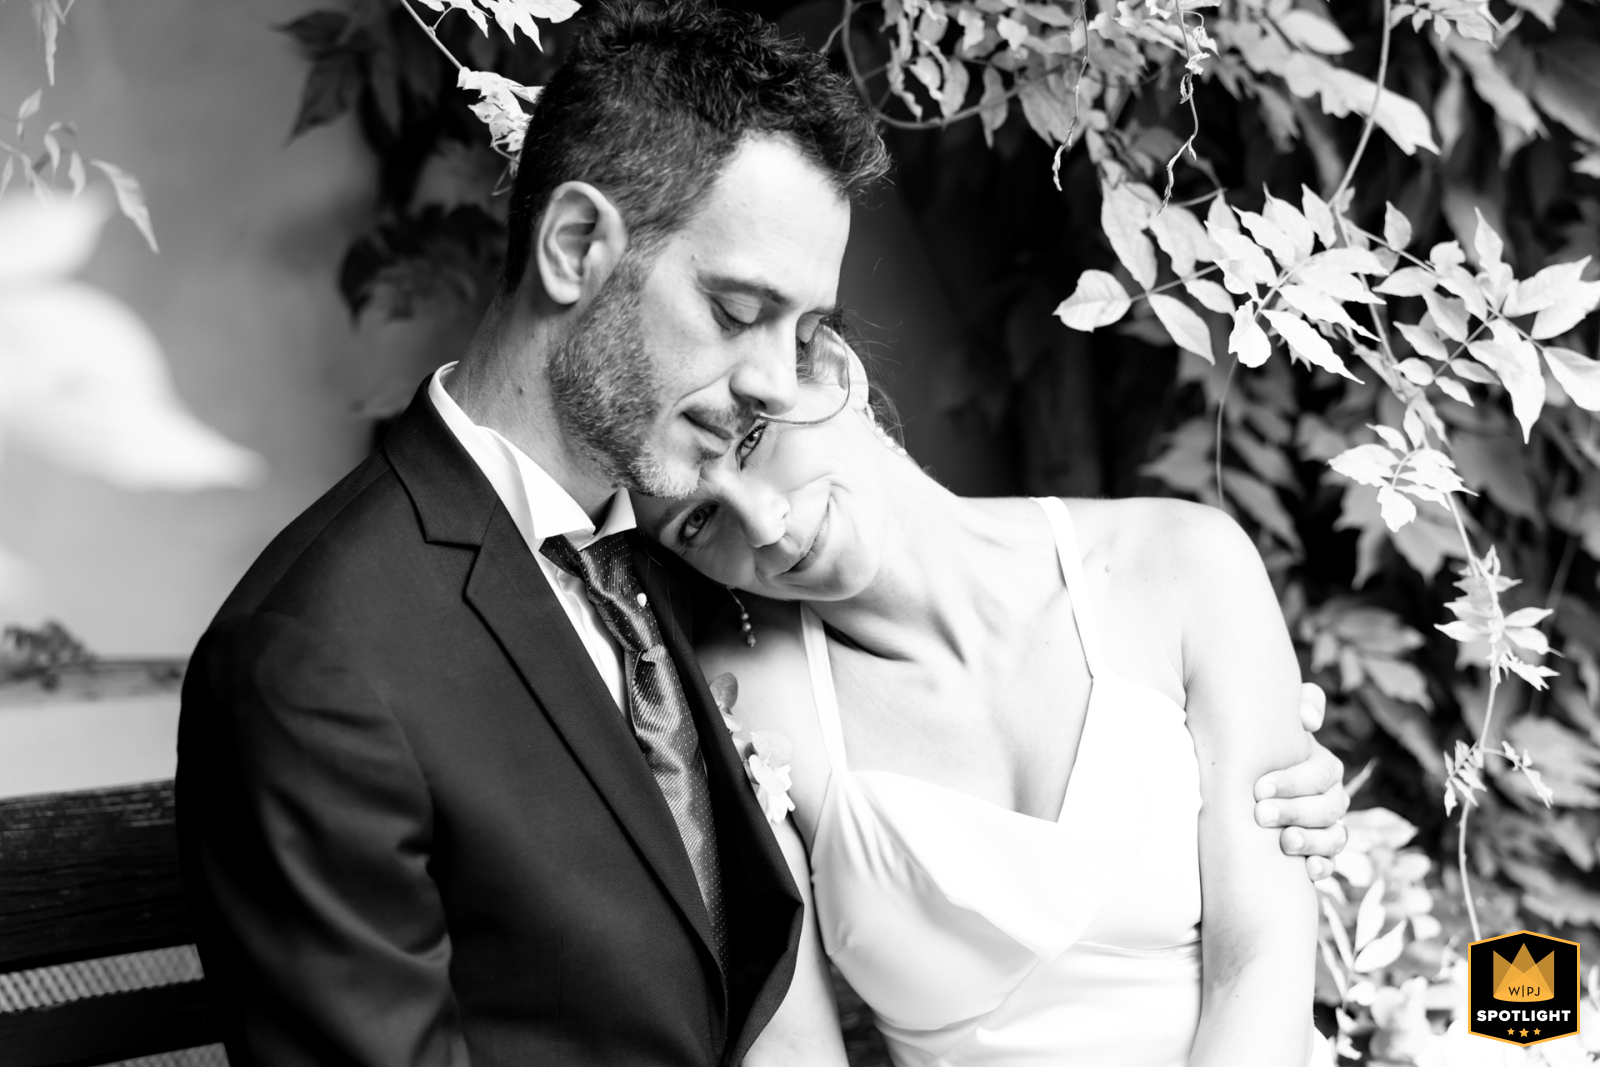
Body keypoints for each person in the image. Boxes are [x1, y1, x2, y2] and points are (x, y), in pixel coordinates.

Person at [177, 5, 1346, 1066]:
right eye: (737, 313)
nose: (767, 382)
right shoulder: (321, 657)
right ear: (576, 246)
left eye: (803, 330)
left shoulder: (640, 576)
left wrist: (1251, 764)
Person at [633, 334, 1341, 1067]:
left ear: (837, 370)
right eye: (698, 520)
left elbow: (1260, 963)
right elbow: (790, 1053)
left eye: (751, 441)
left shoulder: (1182, 563)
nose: (764, 524)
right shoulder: (742, 712)